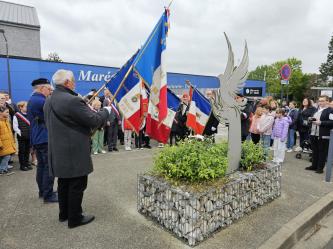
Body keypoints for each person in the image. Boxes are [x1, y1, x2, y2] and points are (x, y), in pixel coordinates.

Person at [44, 69, 111, 228]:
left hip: (58, 150)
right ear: (67, 82)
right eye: (73, 80)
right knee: (77, 184)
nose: (74, 83)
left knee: (63, 183)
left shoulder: (49, 100)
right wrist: (105, 111)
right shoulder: (72, 100)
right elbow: (94, 120)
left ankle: (64, 214)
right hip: (73, 151)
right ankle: (75, 218)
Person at [27, 78, 57, 203]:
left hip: (38, 137)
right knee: (49, 167)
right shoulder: (41, 100)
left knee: (42, 167)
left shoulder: (33, 99)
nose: (50, 91)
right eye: (48, 89)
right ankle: (48, 195)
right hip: (44, 137)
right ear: (41, 88)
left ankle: (43, 191)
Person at [305, 95, 333, 174]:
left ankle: (320, 168)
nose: (320, 102)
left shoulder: (330, 110)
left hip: (323, 135)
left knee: (322, 152)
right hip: (313, 133)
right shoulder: (316, 110)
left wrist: (320, 123)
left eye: (322, 101)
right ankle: (314, 166)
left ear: (327, 101)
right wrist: (310, 119)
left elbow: (332, 122)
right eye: (319, 101)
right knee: (315, 151)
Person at [13, 101, 32, 171]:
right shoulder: (17, 115)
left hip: (29, 135)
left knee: (27, 151)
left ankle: (27, 163)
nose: (27, 108)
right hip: (21, 137)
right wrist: (21, 133)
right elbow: (15, 127)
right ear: (21, 107)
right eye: (26, 106)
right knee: (22, 151)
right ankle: (22, 165)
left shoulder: (29, 114)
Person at [0, 106, 16, 175]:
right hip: (3, 144)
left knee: (6, 156)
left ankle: (4, 168)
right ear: (0, 113)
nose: (8, 114)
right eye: (6, 112)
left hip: (7, 142)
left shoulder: (6, 120)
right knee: (6, 156)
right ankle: (2, 169)